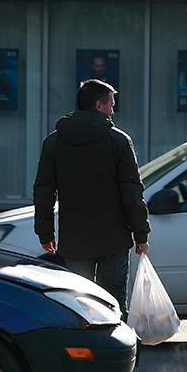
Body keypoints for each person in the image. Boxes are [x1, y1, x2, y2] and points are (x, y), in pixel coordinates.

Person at [33, 78, 150, 321]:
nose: (113, 110)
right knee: (114, 307)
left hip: (75, 242)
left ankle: (84, 356)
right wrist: (141, 234)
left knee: (81, 307)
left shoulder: (54, 142)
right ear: (99, 105)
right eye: (111, 104)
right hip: (114, 240)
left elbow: (44, 191)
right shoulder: (118, 141)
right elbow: (132, 191)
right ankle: (118, 356)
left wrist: (46, 233)